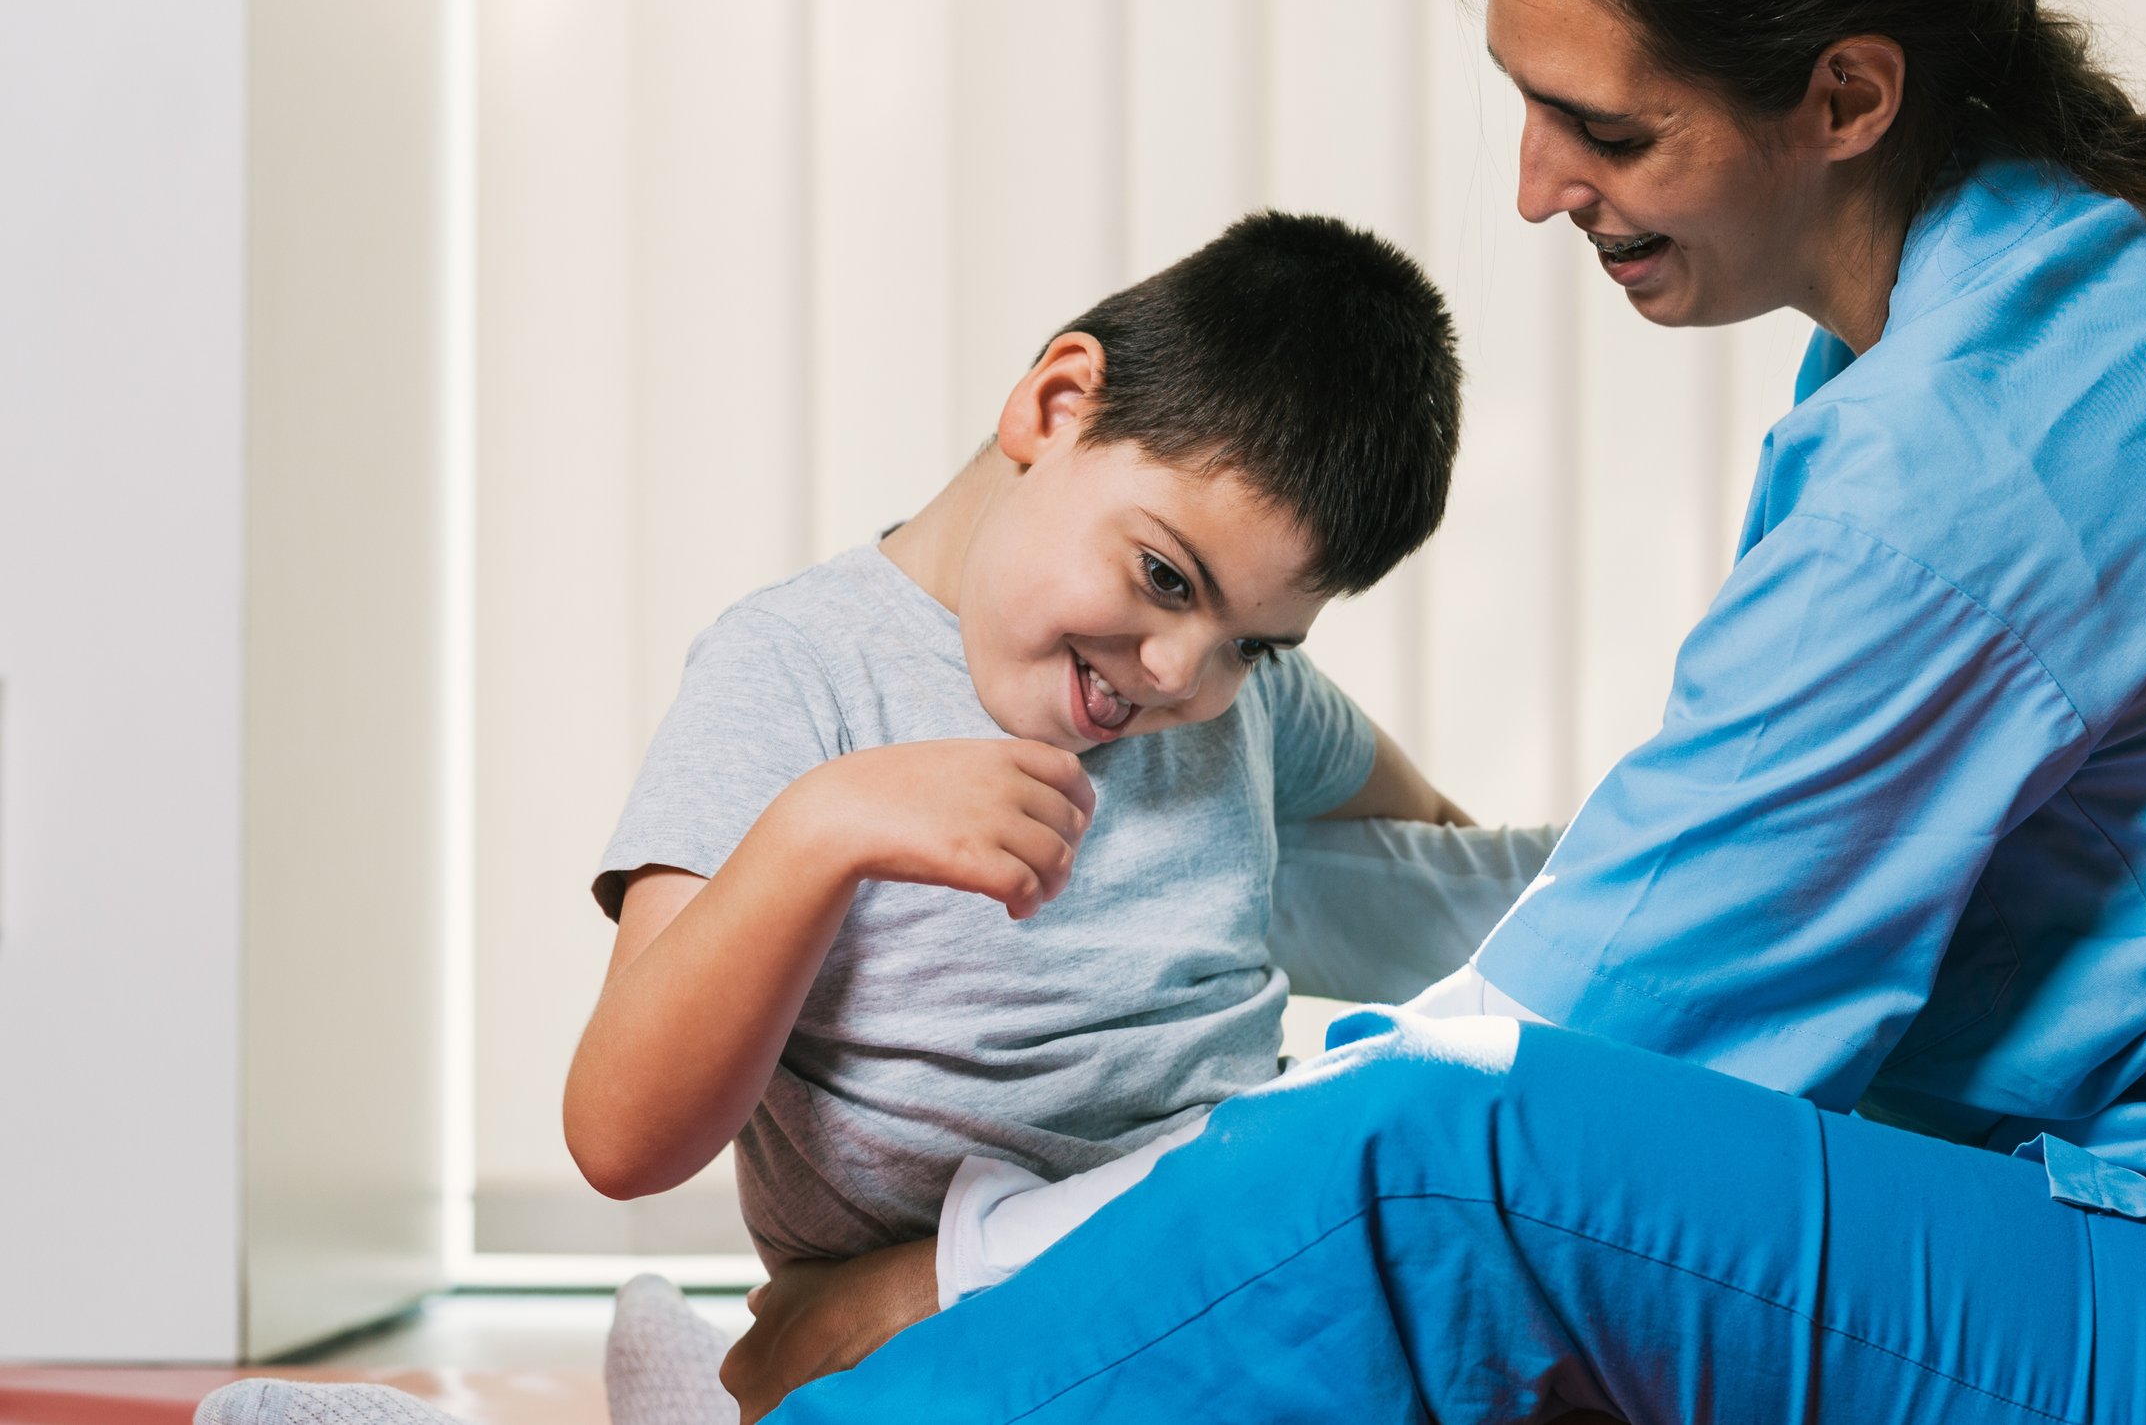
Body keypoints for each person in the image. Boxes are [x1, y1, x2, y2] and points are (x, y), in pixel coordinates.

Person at [754, 0, 2146, 1425]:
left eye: (1606, 129)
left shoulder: (1986, 446)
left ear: (1846, 96)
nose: (1533, 186)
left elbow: (1545, 1061)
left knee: (1437, 1172)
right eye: (1528, 103)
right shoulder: (2028, 318)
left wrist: (949, 1278)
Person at [194, 213, 1559, 1425]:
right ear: (1057, 404)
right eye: (1163, 575)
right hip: (921, 1344)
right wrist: (822, 832)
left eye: (1256, 641)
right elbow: (621, 1137)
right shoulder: (792, 673)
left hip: (1203, 1290)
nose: (1180, 674)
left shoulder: (1240, 710)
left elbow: (1439, 866)